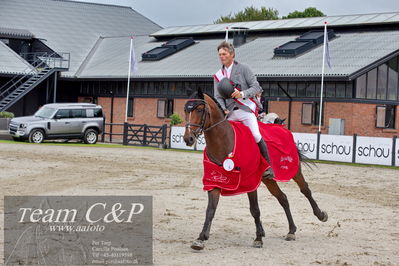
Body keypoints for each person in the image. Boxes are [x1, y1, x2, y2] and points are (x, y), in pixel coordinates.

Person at [213, 41, 273, 178]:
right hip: (229, 112)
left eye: (224, 54)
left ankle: (268, 166)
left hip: (245, 109)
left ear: (232, 54)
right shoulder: (217, 75)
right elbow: (218, 96)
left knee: (256, 135)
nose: (221, 56)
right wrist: (223, 109)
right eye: (220, 54)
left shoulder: (244, 69)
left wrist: (242, 94)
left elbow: (256, 87)